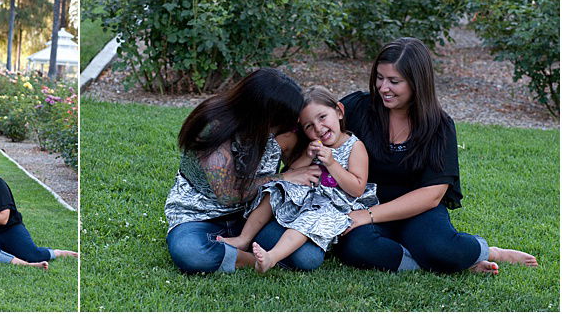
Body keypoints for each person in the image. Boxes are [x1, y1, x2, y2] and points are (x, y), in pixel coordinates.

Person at [334, 37, 538, 274]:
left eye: (394, 81)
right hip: (363, 203)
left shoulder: (439, 126)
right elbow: (318, 121)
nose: (383, 88)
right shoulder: (358, 108)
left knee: (443, 249)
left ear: (417, 83)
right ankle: (427, 260)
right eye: (379, 78)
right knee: (357, 247)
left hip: (418, 210)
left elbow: (432, 195)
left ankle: (489, 251)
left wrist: (366, 216)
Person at [165, 68, 324, 274]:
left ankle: (244, 250)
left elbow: (301, 160)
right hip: (200, 217)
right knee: (191, 253)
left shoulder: (280, 130)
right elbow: (228, 195)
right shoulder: (212, 126)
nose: (290, 126)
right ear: (264, 116)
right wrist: (284, 177)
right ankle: (251, 259)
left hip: (255, 215)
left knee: (308, 256)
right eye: (284, 121)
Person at [218, 85, 378, 273]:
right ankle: (243, 238)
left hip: (332, 206)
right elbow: (293, 172)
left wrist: (332, 164)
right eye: (309, 126)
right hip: (307, 197)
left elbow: (357, 188)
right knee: (276, 189)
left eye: (322, 117)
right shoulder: (314, 145)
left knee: (309, 220)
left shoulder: (354, 146)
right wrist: (309, 156)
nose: (318, 128)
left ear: (339, 111)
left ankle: (271, 257)